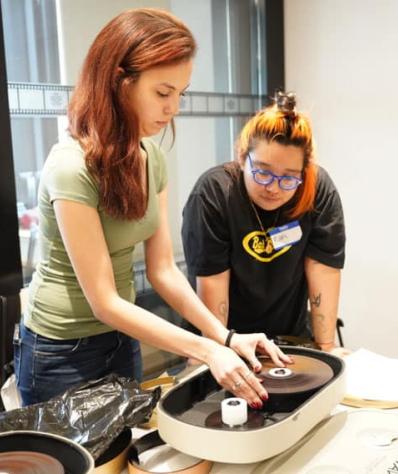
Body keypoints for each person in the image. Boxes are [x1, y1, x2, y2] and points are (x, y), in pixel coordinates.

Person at [14, 8, 289, 408]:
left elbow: (162, 270)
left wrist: (223, 336)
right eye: (163, 93)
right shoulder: (70, 166)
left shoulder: (150, 158)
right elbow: (103, 300)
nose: (173, 108)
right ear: (120, 83)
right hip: (58, 352)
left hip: (122, 336)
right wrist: (208, 351)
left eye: (181, 93)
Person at [182, 92, 346, 354]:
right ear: (241, 156)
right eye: (262, 172)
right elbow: (213, 284)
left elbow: (323, 269)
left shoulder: (317, 189)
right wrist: (218, 352)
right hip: (224, 338)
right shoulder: (214, 193)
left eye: (288, 178)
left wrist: (326, 349)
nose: (273, 188)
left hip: (290, 337)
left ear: (304, 172)